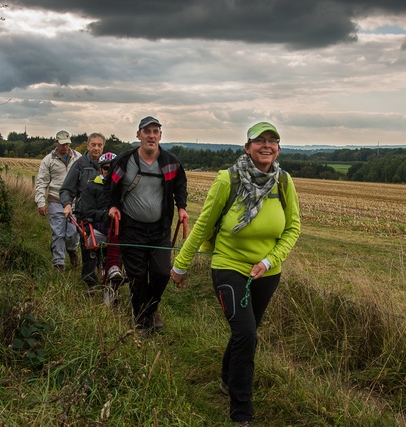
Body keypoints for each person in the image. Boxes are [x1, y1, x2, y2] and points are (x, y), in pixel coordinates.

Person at [170, 122, 301, 426]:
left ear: (278, 148)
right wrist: (181, 264)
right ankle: (241, 410)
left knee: (247, 333)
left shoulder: (284, 182)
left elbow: (293, 228)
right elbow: (203, 224)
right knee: (246, 333)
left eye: (273, 141)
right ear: (247, 147)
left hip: (267, 273)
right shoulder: (227, 181)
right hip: (229, 266)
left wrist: (270, 261)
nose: (266, 145)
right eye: (259, 141)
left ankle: (228, 378)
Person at [104, 116, 189, 335]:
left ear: (160, 135)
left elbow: (180, 184)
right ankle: (141, 321)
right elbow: (109, 185)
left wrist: (181, 207)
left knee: (161, 274)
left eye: (155, 131)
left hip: (159, 229)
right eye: (147, 131)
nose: (151, 135)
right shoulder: (124, 161)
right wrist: (113, 206)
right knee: (138, 276)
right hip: (131, 228)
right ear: (138, 135)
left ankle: (151, 308)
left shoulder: (171, 162)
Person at [60, 134, 124, 291]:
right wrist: (68, 204)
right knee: (89, 246)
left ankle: (117, 269)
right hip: (87, 212)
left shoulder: (117, 179)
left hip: (108, 216)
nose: (96, 148)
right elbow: (67, 189)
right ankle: (91, 282)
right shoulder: (80, 165)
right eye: (93, 145)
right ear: (87, 146)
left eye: (99, 145)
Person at [35, 130, 81, 271]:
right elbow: (41, 182)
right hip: (56, 201)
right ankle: (58, 263)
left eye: (67, 144)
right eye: (62, 144)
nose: (65, 147)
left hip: (74, 202)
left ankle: (72, 250)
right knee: (58, 233)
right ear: (56, 143)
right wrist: (41, 202)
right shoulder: (48, 160)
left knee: (73, 232)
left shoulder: (78, 158)